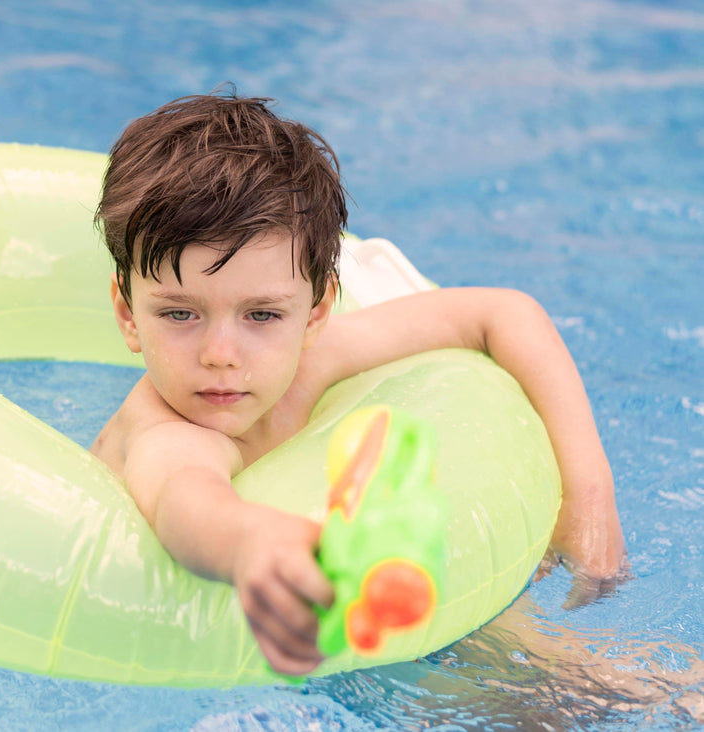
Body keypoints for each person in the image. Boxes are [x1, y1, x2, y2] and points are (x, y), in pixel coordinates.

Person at [90, 89, 626, 677]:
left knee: (586, 671)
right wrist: (258, 545)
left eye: (262, 315)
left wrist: (587, 499)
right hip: (194, 646)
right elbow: (185, 501)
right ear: (127, 314)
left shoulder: (309, 361)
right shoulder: (167, 431)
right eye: (179, 313)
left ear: (316, 312)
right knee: (553, 682)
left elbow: (503, 314)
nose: (222, 355)